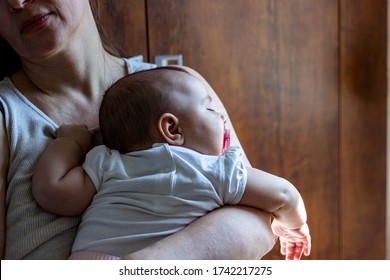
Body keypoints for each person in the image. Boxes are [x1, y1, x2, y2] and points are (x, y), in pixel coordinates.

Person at [0, 0, 275, 259]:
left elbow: (260, 221)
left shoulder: (184, 91)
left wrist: (145, 265)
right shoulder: (7, 117)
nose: (16, 2)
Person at [32, 66, 311, 260]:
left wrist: (71, 141)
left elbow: (52, 192)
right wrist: (295, 227)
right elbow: (283, 195)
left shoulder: (107, 163)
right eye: (209, 108)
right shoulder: (214, 171)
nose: (222, 117)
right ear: (172, 129)